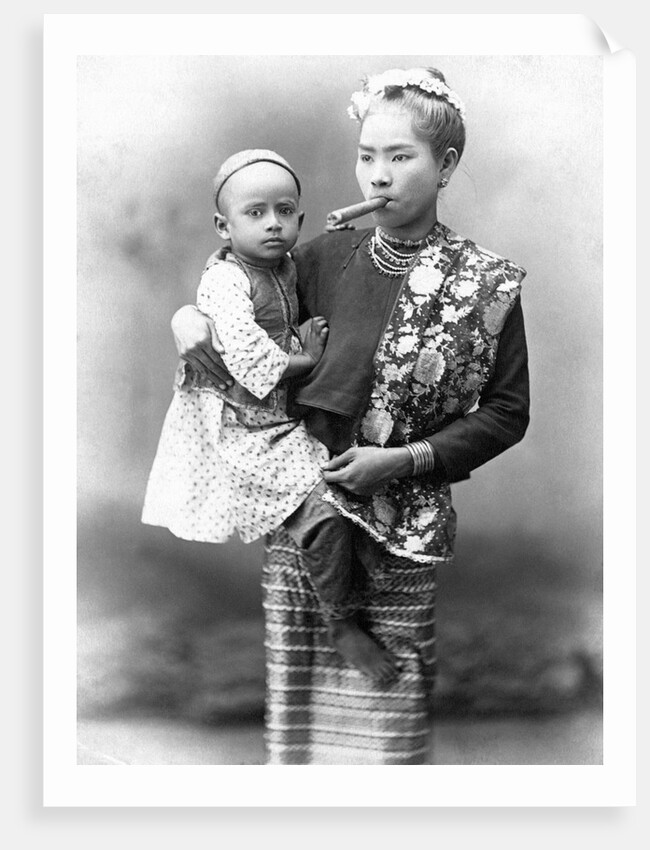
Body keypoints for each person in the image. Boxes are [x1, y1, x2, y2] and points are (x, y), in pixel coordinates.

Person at [170, 67, 530, 765]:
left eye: (401, 157)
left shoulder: (485, 285)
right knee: (300, 717)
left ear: (446, 164)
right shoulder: (318, 256)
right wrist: (183, 319)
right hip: (306, 502)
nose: (378, 177)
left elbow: (509, 412)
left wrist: (403, 460)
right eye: (367, 156)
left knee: (389, 723)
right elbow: (233, 295)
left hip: (406, 516)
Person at [142, 149, 397, 683]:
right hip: (242, 428)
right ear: (224, 225)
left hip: (282, 418)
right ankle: (340, 622)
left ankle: (359, 585)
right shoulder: (226, 280)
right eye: (255, 213)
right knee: (326, 513)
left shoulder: (288, 265)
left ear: (301, 219)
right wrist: (304, 358)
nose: (273, 224)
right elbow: (245, 353)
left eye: (285, 211)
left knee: (362, 493)